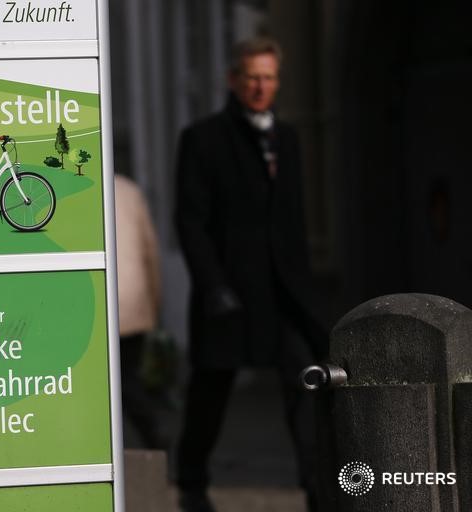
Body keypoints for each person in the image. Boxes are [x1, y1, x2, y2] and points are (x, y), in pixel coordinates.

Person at [174, 37, 327, 512]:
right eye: (252, 77)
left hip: (283, 293)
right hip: (229, 291)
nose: (261, 86)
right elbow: (191, 222)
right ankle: (192, 484)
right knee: (211, 390)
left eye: (268, 78)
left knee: (306, 383)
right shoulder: (202, 139)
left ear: (277, 82)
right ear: (233, 80)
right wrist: (213, 285)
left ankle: (318, 490)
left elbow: (294, 219)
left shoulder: (290, 137)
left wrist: (306, 288)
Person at [114, 174, 163, 449]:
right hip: (134, 300)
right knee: (129, 377)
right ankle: (153, 437)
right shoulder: (130, 190)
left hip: (99, 301)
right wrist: (155, 303)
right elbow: (150, 250)